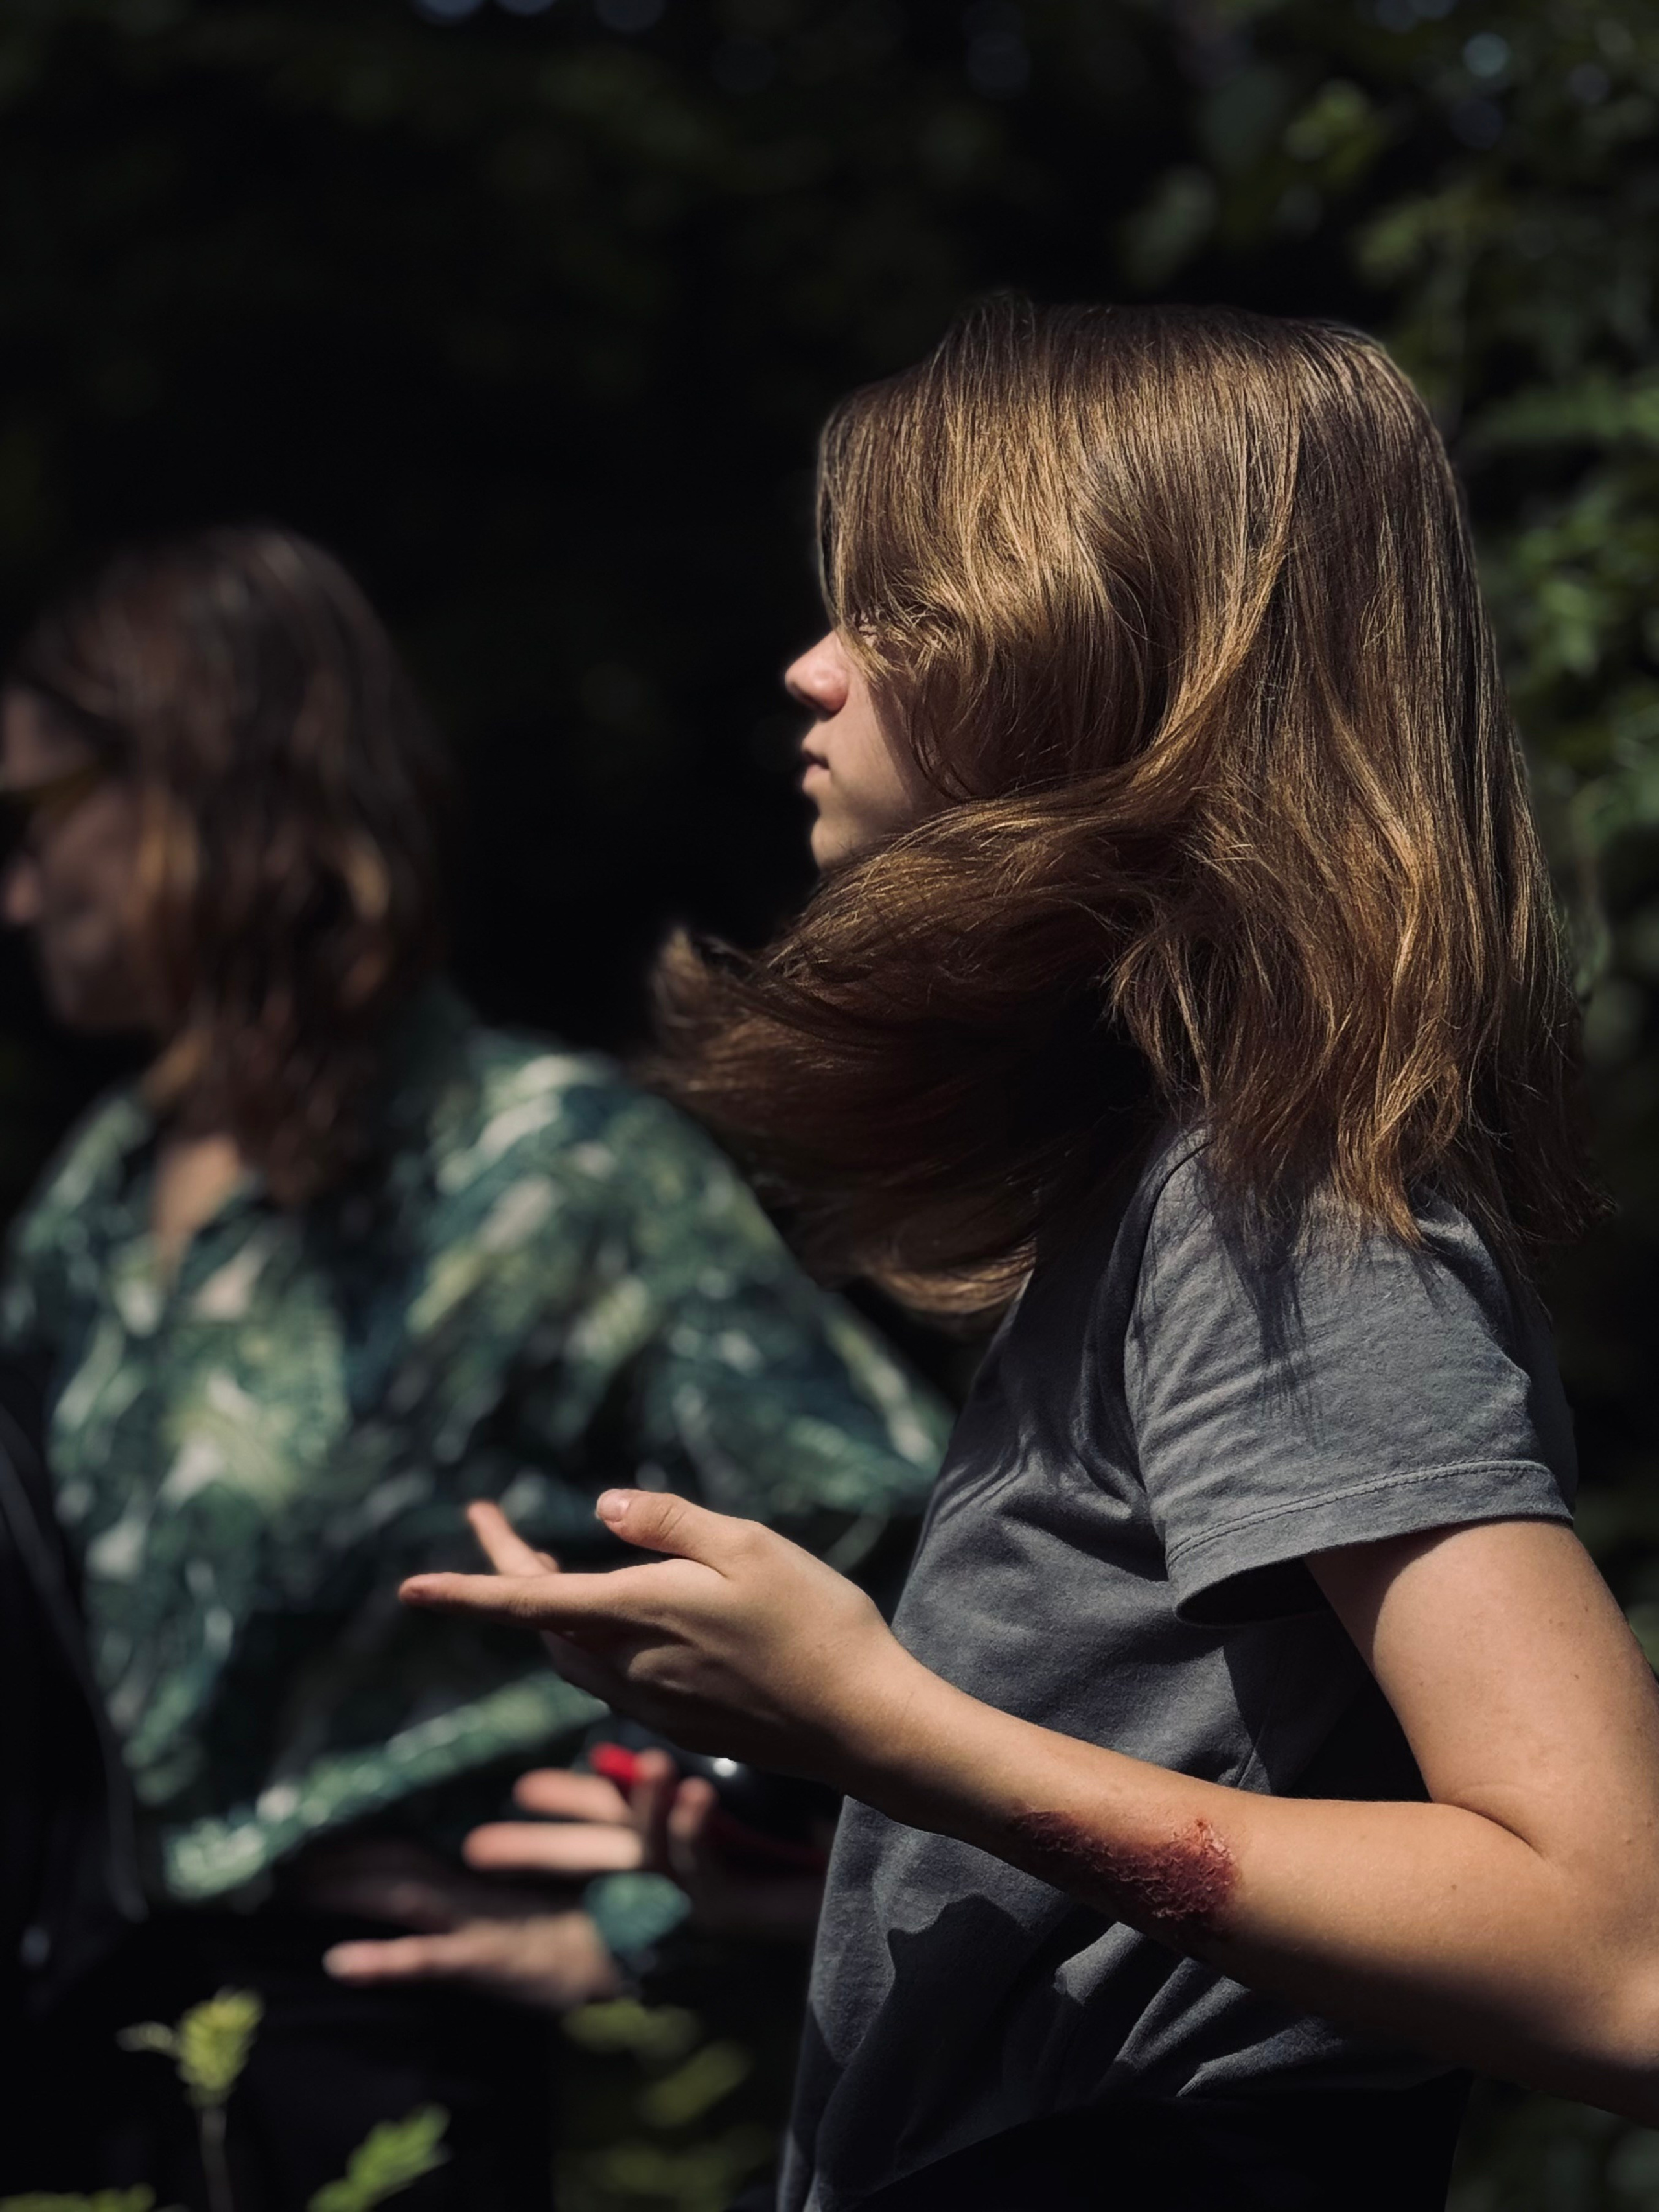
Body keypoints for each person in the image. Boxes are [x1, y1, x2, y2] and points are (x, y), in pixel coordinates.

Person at [401, 299, 1659, 2212]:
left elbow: (1615, 1959)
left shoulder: (1289, 1218)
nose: (813, 669)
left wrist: (890, 1736)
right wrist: (847, 1865)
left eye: (903, 614)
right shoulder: (1170, 1192)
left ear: (1117, 661)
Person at [0, 524, 949, 2207]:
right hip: (90, 2039)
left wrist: (653, 1910)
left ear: (194, 794)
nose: (16, 891)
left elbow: (904, 1558)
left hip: (366, 2054)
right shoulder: (96, 1196)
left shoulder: (549, 1174)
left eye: (38, 821)